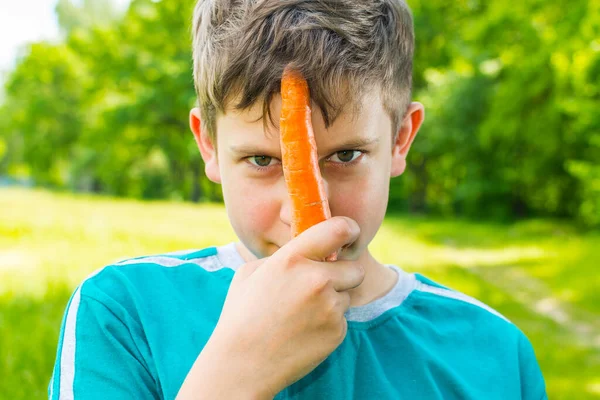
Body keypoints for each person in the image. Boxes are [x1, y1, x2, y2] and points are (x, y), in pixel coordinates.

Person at [49, 0, 548, 399]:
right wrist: (236, 374)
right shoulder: (122, 313)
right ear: (209, 146)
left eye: (346, 155)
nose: (306, 216)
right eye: (263, 161)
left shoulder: (494, 352)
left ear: (400, 139)